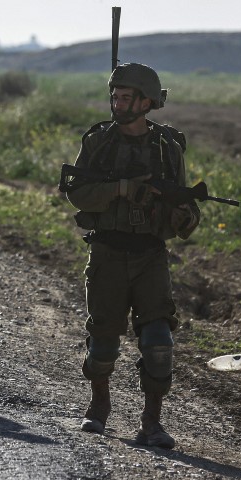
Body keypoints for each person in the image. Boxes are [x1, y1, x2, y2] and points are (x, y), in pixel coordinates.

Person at [64, 62, 202, 449]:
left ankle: (151, 423)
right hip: (108, 251)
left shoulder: (167, 147)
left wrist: (182, 214)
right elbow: (77, 192)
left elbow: (184, 204)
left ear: (147, 102)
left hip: (150, 256)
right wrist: (122, 189)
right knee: (104, 339)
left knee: (159, 342)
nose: (118, 104)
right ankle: (99, 406)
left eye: (127, 98)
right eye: (115, 96)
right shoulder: (98, 142)